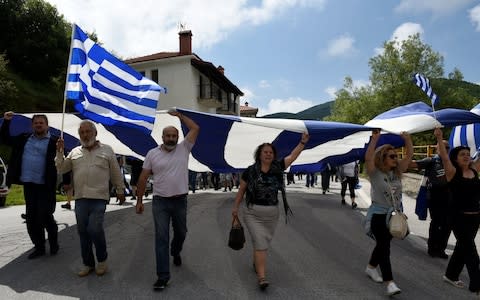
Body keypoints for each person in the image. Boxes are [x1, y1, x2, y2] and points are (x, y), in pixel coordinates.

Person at [232, 132, 309, 290]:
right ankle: (262, 277)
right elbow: (241, 191)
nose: (268, 154)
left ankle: (256, 261)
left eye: (271, 152)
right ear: (259, 154)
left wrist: (302, 143)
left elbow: (293, 156)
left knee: (262, 243)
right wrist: (235, 208)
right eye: (265, 152)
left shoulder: (278, 168)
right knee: (261, 243)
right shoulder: (250, 171)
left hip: (272, 214)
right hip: (252, 213)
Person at [135, 110, 200, 291]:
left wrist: (180, 116)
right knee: (161, 237)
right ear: (162, 137)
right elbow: (142, 178)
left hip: (180, 200)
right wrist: (139, 201)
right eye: (168, 135)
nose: (171, 138)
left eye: (174, 135)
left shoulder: (184, 148)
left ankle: (176, 250)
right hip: (160, 202)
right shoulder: (152, 154)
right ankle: (163, 276)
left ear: (178, 137)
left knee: (181, 233)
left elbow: (195, 127)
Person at [55, 120, 125, 277]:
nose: (85, 135)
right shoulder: (74, 152)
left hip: (99, 197)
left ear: (95, 133)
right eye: (82, 133)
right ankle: (88, 263)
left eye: (88, 132)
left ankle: (102, 260)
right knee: (83, 232)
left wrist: (120, 190)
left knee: (94, 228)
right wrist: (59, 152)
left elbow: (115, 172)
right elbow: (61, 168)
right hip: (80, 198)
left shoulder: (107, 150)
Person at [0, 111, 59, 259]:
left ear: (47, 125)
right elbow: (4, 138)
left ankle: (53, 242)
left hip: (45, 185)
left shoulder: (55, 141)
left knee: (45, 215)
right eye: (36, 123)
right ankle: (39, 247)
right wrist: (7, 121)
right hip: (29, 184)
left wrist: (66, 182)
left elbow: (64, 162)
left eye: (41, 123)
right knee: (32, 218)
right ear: (32, 125)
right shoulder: (24, 138)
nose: (38, 125)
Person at [364, 129, 413, 296]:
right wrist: (374, 140)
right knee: (385, 248)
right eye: (391, 156)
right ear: (383, 157)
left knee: (382, 245)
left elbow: (408, 156)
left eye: (395, 155)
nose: (395, 158)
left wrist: (407, 140)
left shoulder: (397, 172)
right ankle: (390, 282)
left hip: (394, 216)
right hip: (378, 215)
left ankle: (371, 267)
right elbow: (368, 158)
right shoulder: (375, 173)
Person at [434, 128, 480, 295]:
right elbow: (444, 157)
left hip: (475, 218)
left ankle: (450, 274)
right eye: (462, 154)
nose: (467, 155)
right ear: (456, 158)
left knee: (462, 248)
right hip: (458, 218)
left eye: (468, 153)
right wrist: (439, 137)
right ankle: (477, 286)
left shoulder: (474, 170)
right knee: (472, 253)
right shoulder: (452, 172)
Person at [409, 140, 451, 259]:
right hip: (435, 195)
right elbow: (413, 164)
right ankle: (432, 248)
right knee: (437, 222)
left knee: (447, 224)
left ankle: (441, 249)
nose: (445, 149)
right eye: (443, 146)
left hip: (449, 195)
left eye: (447, 147)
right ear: (437, 148)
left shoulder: (451, 162)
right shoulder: (431, 161)